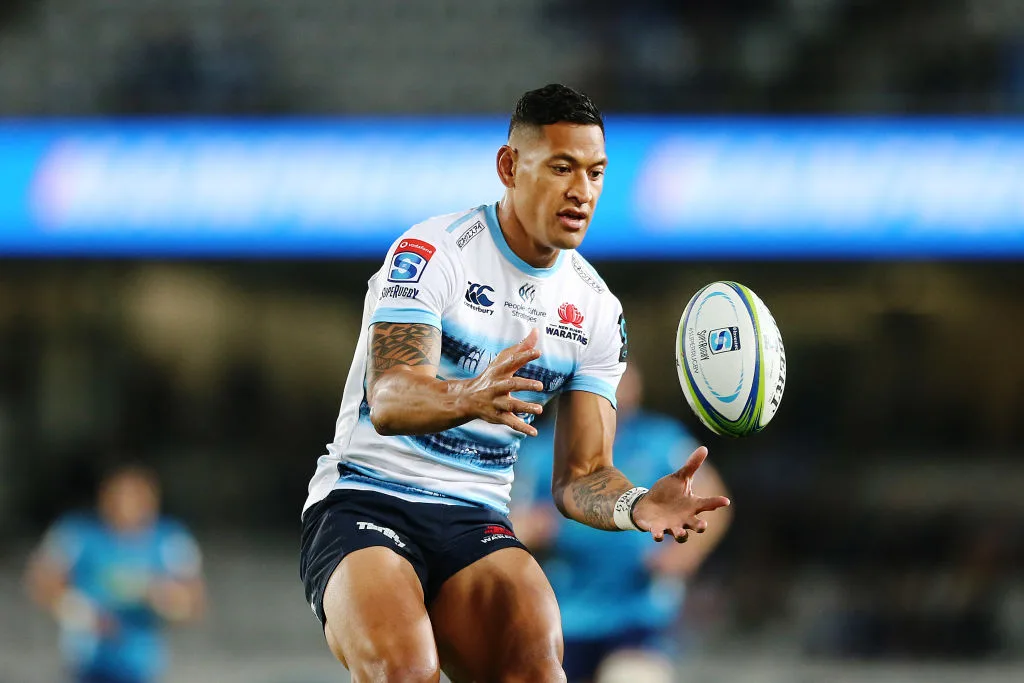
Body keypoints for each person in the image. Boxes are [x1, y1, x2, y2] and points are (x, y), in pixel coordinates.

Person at [299, 83, 731, 683]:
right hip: (368, 500)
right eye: (562, 168)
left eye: (596, 173)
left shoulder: (596, 311)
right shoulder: (433, 253)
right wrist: (469, 395)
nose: (582, 191)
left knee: (536, 668)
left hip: (474, 515)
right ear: (509, 166)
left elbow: (580, 479)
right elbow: (391, 397)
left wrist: (635, 504)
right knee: (404, 669)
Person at [512, 364, 732, 683]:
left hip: (638, 611)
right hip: (564, 614)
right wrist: (529, 529)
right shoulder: (540, 449)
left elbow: (714, 501)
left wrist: (685, 555)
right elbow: (502, 523)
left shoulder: (662, 441)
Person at [24, 464, 205, 683]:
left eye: (134, 499)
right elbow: (41, 580)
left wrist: (168, 599)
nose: (126, 507)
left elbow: (194, 600)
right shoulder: (78, 532)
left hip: (141, 659)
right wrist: (78, 610)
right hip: (88, 656)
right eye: (118, 498)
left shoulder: (169, 539)